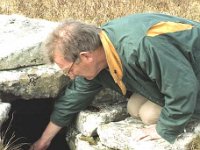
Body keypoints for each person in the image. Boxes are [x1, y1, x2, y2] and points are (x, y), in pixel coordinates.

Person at [30, 13, 200, 150]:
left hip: (193, 74)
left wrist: (166, 129)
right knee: (134, 108)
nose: (71, 76)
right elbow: (73, 98)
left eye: (69, 70)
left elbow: (184, 86)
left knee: (149, 115)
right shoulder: (101, 49)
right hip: (179, 73)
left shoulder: (142, 46)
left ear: (85, 56)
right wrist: (44, 141)